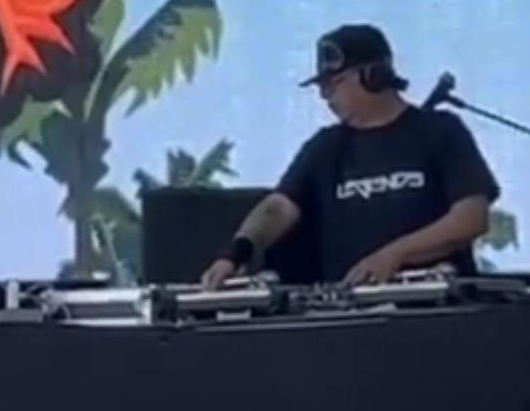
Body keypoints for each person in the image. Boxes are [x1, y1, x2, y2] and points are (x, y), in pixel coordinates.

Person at [201, 24, 499, 289]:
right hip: (351, 315)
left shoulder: (440, 131)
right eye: (322, 86)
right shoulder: (325, 147)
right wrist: (235, 253)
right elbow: (278, 207)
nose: (324, 95)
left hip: (439, 313)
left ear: (373, 76)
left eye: (334, 83)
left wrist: (394, 255)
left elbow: (471, 218)